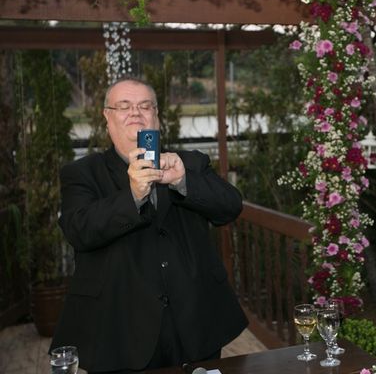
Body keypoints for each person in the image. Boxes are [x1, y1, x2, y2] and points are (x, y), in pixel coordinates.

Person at [51, 78, 248, 373]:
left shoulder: (189, 163)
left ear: (156, 115)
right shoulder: (81, 173)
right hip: (119, 332)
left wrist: (183, 182)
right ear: (107, 116)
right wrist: (133, 196)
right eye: (124, 106)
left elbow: (230, 206)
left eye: (145, 106)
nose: (136, 112)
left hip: (196, 324)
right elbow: (79, 230)